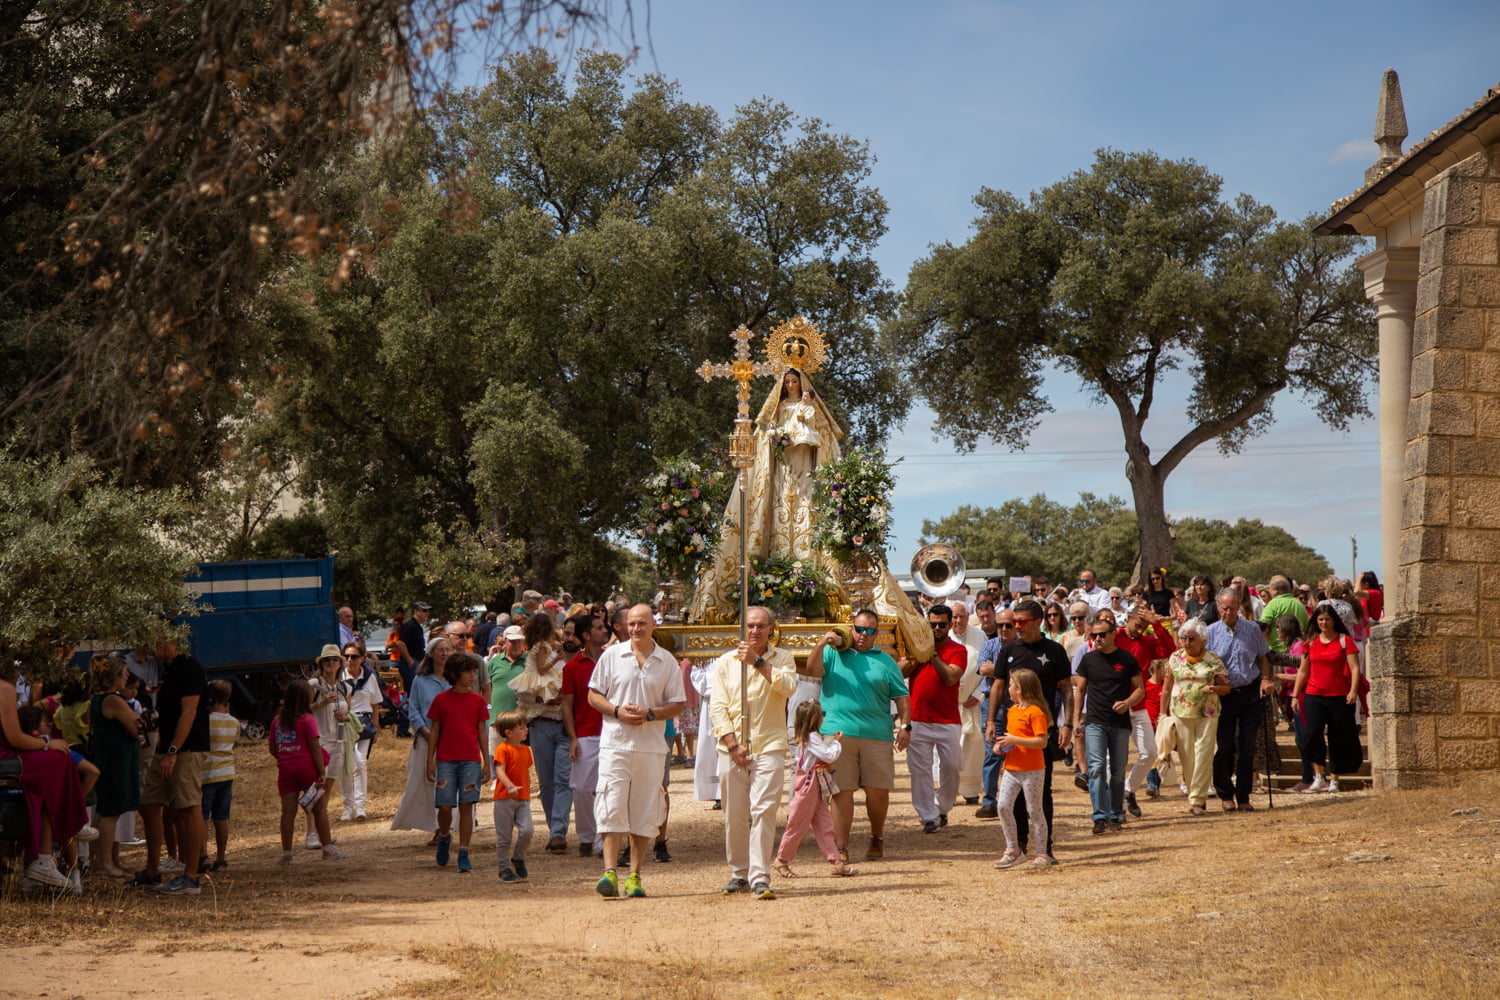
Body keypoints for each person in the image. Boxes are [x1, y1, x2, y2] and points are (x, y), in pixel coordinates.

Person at [587, 604, 686, 900]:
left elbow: (678, 703)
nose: (635, 629)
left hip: (651, 747)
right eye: (631, 624)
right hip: (615, 743)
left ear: (653, 624)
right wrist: (616, 711)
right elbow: (593, 694)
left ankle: (635, 875)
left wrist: (651, 713)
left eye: (641, 623)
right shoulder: (611, 656)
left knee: (645, 809)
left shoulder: (667, 661)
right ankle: (609, 872)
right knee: (611, 803)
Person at [804, 609, 911, 863]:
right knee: (841, 792)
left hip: (877, 733)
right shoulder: (833, 653)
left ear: (877, 633)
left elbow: (902, 697)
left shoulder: (885, 661)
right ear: (851, 629)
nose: (863, 635)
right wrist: (822, 643)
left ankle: (877, 837)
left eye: (870, 630)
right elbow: (812, 669)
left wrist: (905, 727)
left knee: (878, 792)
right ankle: (841, 847)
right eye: (859, 629)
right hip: (838, 733)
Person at [708, 605, 798, 900]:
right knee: (734, 813)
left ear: (771, 628)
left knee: (764, 810)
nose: (755, 631)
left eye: (761, 626)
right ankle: (739, 872)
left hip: (769, 744)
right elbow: (717, 706)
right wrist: (732, 744)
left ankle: (760, 876)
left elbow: (788, 688)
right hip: (733, 747)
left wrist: (758, 662)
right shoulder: (725, 662)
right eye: (750, 626)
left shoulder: (782, 658)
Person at [983, 599, 1073, 861]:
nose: (1016, 627)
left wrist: (1068, 723)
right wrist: (991, 721)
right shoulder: (1008, 649)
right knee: (1013, 791)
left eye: (1021, 622)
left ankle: (1045, 849)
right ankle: (1018, 846)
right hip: (1012, 725)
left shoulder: (1054, 651)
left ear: (1037, 621)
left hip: (1042, 728)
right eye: (1014, 622)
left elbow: (1066, 688)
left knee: (1042, 792)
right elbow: (998, 686)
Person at [1, 660, 89, 889]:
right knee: (60, 758)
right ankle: (70, 822)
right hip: (7, 756)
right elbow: (14, 738)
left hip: (10, 755)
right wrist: (46, 743)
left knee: (57, 763)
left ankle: (45, 855)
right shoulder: (5, 689)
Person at [136, 638, 211, 894]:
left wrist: (173, 751)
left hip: (186, 749)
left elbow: (189, 713)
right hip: (167, 747)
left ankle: (191, 876)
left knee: (189, 807)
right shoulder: (166, 669)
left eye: (158, 639)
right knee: (149, 804)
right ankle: (152, 871)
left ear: (173, 641)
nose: (153, 644)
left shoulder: (189, 667)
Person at [1072, 615, 1145, 835]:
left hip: (1120, 723)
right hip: (1095, 721)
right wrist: (1076, 719)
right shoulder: (1089, 659)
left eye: (1103, 634)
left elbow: (1140, 688)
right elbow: (1080, 690)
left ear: (1114, 635)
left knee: (1117, 771)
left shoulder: (1127, 659)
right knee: (1095, 769)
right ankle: (1099, 816)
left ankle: (1115, 814)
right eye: (1095, 635)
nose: (1098, 638)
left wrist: (1127, 703)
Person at [1205, 588, 1274, 812]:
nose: (1228, 612)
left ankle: (1243, 795)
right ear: (1218, 607)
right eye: (1224, 608)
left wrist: (1265, 679)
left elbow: (1263, 658)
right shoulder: (1211, 632)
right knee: (1225, 746)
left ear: (1238, 608)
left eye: (1232, 608)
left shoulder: (1252, 629)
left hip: (1250, 694)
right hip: (1224, 696)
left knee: (1247, 746)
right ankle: (1225, 793)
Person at [901, 604, 967, 834]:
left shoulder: (958, 650)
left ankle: (942, 808)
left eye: (941, 624)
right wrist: (918, 653)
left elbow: (950, 677)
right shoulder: (915, 648)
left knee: (951, 767)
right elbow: (899, 672)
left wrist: (932, 655)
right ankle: (927, 815)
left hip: (948, 719)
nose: (937, 628)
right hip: (917, 717)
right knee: (920, 770)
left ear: (950, 625)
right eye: (932, 624)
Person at [510, 612, 572, 854]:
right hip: (541, 724)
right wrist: (558, 658)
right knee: (547, 782)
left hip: (563, 725)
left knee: (563, 780)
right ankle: (554, 827)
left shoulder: (545, 649)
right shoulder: (544, 650)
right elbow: (539, 677)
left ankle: (558, 831)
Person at [774, 700, 857, 879]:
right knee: (797, 824)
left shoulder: (808, 738)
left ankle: (835, 861)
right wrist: (837, 743)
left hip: (815, 784)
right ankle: (782, 859)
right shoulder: (812, 738)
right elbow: (828, 755)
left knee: (824, 824)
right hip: (808, 785)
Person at [425, 653, 491, 872]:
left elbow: (482, 731)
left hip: (470, 760)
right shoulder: (441, 700)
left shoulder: (478, 700)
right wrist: (430, 760)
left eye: (474, 671)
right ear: (455, 674)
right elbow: (435, 730)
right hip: (446, 760)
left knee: (466, 806)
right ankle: (444, 836)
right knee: (444, 806)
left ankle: (464, 851)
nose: (473, 675)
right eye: (469, 671)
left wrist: (486, 761)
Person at [1159, 619, 1231, 815]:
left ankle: (1197, 800)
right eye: (1184, 638)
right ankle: (1193, 792)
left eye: (1192, 639)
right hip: (1180, 713)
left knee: (1204, 754)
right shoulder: (1174, 659)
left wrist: (1215, 688)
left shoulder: (1213, 660)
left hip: (1207, 713)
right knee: (1187, 756)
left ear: (1203, 641)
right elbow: (1166, 689)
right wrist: (1160, 714)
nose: (1187, 642)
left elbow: (1226, 687)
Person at [1294, 605, 1363, 794]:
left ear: (1334, 620)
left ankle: (1334, 779)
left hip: (1339, 696)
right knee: (1312, 734)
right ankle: (1318, 776)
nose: (1324, 623)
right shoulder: (1310, 642)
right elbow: (1303, 670)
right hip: (1314, 695)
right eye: (1320, 620)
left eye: (1327, 619)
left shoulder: (1344, 640)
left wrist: (1353, 691)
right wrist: (1295, 695)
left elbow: (1355, 668)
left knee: (1338, 738)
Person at [269, 679, 339, 863]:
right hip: (307, 768)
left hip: (286, 769)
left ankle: (286, 854)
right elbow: (315, 747)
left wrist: (284, 758)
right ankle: (328, 849)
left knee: (287, 812)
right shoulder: (307, 720)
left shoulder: (277, 721)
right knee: (319, 809)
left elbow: (272, 748)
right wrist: (321, 771)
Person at [1113, 608, 1173, 818]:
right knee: (1116, 759)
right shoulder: (1115, 636)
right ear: (1128, 619)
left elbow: (1170, 649)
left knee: (1150, 752)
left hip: (1138, 705)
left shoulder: (1147, 641)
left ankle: (1127, 790)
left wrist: (1155, 625)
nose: (1139, 630)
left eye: (1143, 627)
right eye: (1137, 625)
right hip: (1115, 704)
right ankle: (1116, 807)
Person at [389, 636, 451, 837]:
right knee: (424, 783)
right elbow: (413, 708)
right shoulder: (420, 680)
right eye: (440, 650)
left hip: (450, 741)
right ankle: (432, 826)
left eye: (446, 649)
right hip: (426, 739)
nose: (444, 654)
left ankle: (444, 828)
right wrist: (425, 730)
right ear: (431, 653)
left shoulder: (454, 679)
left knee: (448, 784)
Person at [992, 667, 1052, 871]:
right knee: (1003, 806)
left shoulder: (1036, 713)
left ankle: (1042, 853)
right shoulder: (1012, 711)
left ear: (1019, 688)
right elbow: (1013, 738)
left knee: (1034, 810)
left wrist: (1014, 739)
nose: (1008, 689)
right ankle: (1013, 849)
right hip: (1012, 768)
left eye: (1010, 685)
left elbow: (1041, 741)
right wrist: (1001, 747)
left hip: (1032, 770)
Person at [89, 655, 143, 878]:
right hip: (115, 760)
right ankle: (104, 864)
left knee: (104, 811)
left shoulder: (96, 698)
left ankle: (100, 862)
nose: (127, 677)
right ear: (115, 675)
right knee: (111, 811)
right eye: (124, 673)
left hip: (107, 757)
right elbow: (136, 727)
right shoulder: (113, 700)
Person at [561, 614, 608, 858]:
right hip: (586, 734)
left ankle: (603, 840)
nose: (605, 630)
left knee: (607, 789)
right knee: (581, 789)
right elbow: (566, 705)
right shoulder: (571, 667)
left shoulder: (612, 660)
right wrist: (573, 738)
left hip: (612, 733)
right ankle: (586, 836)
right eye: (599, 628)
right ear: (587, 635)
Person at [973, 606, 1017, 817]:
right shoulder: (989, 644)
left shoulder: (1021, 647)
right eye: (1000, 625)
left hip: (1017, 706)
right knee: (992, 752)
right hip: (992, 704)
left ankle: (1017, 802)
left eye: (1009, 625)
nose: (1004, 629)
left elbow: (993, 670)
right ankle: (989, 801)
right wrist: (1010, 670)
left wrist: (996, 668)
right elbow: (982, 669)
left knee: (1018, 753)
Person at [307, 644, 351, 847]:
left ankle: (323, 830)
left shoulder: (345, 687)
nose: (331, 663)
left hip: (338, 740)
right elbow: (305, 711)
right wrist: (322, 703)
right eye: (327, 660)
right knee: (317, 786)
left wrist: (345, 716)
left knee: (329, 786)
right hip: (320, 740)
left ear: (340, 663)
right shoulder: (314, 685)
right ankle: (311, 833)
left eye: (334, 659)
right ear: (321, 664)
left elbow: (348, 712)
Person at [340, 640, 383, 821]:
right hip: (344, 723)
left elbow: (375, 705)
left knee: (359, 761)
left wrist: (376, 727)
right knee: (345, 764)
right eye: (347, 656)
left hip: (363, 723)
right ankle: (347, 806)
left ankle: (360, 806)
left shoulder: (369, 677)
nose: (350, 660)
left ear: (363, 658)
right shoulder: (339, 677)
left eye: (354, 656)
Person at [491, 710, 534, 883]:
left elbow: (525, 772)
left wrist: (527, 792)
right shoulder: (503, 749)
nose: (526, 730)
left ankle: (518, 857)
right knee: (504, 838)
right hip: (504, 799)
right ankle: (503, 869)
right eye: (521, 727)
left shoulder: (526, 750)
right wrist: (509, 786)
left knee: (528, 830)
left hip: (522, 798)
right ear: (508, 733)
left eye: (526, 727)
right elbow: (499, 770)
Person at [201, 679, 237, 873]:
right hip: (227, 773)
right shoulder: (234, 723)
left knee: (202, 817)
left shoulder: (206, 721)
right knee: (222, 817)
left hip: (208, 774)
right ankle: (221, 858)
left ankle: (203, 854)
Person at [486, 626, 527, 758]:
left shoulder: (530, 662)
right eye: (512, 641)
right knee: (496, 760)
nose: (516, 644)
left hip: (523, 721)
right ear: (504, 642)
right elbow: (486, 687)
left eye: (519, 641)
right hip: (497, 720)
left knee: (518, 763)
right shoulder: (494, 662)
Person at [395, 602, 431, 737]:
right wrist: (410, 661)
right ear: (416, 611)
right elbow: (399, 642)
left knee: (414, 695)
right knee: (410, 696)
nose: (426, 614)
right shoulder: (410, 625)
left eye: (428, 612)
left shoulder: (418, 627)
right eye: (424, 611)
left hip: (417, 662)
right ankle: (403, 727)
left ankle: (409, 725)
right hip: (411, 664)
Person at [1259, 576, 1310, 651]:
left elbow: (1262, 627)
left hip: (1277, 653)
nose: (1269, 591)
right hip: (1296, 653)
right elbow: (1307, 629)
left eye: (1269, 588)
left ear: (1275, 590)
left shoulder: (1272, 605)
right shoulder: (1300, 605)